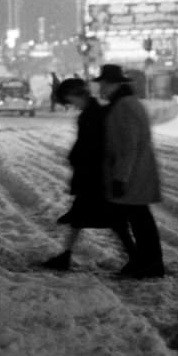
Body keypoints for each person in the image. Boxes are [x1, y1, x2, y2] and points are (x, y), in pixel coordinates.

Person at [41, 78, 136, 271]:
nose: (71, 105)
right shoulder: (95, 112)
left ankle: (135, 256)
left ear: (75, 95)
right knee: (87, 217)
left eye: (69, 100)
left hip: (95, 176)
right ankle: (65, 256)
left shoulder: (92, 115)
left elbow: (93, 147)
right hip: (95, 175)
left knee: (112, 219)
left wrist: (77, 159)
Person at [96, 64, 166, 279]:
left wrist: (120, 177)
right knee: (139, 218)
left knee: (139, 219)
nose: (101, 90)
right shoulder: (126, 102)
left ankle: (150, 263)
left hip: (133, 174)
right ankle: (145, 261)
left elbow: (129, 145)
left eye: (103, 85)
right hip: (136, 172)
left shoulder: (124, 106)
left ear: (113, 84)